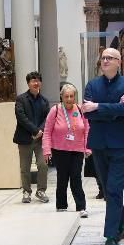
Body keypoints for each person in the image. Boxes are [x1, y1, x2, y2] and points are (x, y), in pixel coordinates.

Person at [82, 48, 124, 245]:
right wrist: (112, 110)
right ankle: (121, 225)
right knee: (108, 190)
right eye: (103, 58)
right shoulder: (92, 85)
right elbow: (88, 114)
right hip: (98, 145)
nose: (105, 60)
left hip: (120, 145)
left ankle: (110, 237)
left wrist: (97, 106)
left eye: (109, 58)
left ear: (119, 62)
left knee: (114, 189)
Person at [43, 84, 91, 218]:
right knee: (62, 178)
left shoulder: (80, 110)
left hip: (77, 150)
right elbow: (47, 131)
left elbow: (87, 129)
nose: (69, 99)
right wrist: (46, 150)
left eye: (71, 96)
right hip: (60, 150)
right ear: (61, 97)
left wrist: (87, 147)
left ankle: (81, 207)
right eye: (66, 96)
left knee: (76, 178)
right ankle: (61, 206)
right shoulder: (55, 110)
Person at [13, 71, 50, 204]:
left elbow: (48, 118)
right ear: (28, 83)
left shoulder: (44, 101)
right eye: (33, 81)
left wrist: (40, 130)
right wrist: (35, 130)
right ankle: (26, 192)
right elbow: (21, 117)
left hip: (40, 140)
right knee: (25, 167)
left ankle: (41, 190)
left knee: (43, 165)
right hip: (25, 138)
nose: (36, 83)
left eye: (38, 80)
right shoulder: (21, 99)